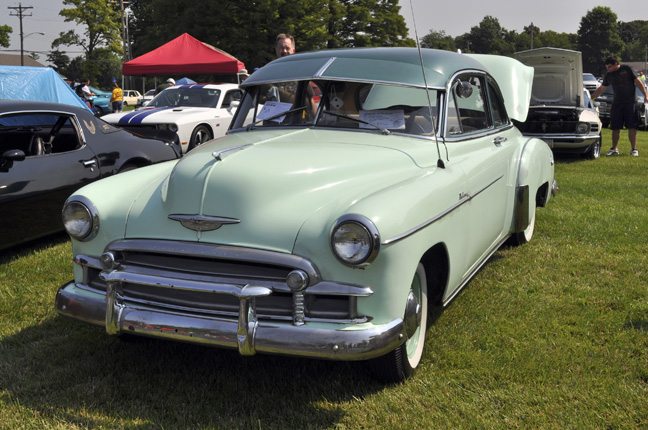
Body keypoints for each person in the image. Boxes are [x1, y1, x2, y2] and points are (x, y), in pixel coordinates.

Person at [591, 57, 648, 156]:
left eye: (610, 66)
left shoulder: (627, 69)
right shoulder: (609, 75)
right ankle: (614, 149)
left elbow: (638, 82)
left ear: (616, 64)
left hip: (630, 103)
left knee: (631, 126)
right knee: (615, 127)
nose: (608, 69)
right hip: (617, 104)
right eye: (607, 67)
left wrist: (646, 96)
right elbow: (601, 88)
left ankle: (634, 149)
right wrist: (591, 98)